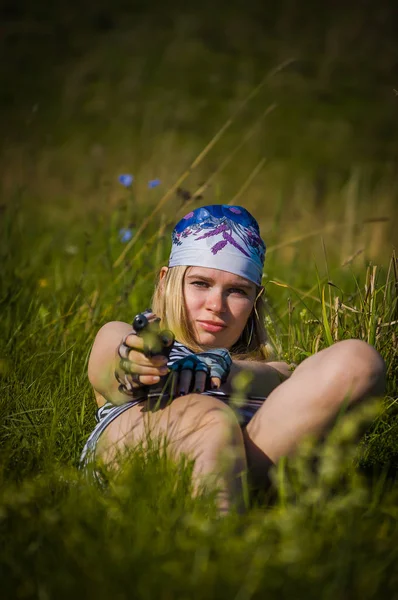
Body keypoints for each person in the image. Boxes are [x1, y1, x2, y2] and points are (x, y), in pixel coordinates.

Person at [81, 204, 386, 514]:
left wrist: (223, 367)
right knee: (210, 417)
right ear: (166, 281)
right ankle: (217, 541)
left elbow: (280, 375)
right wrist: (136, 367)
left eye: (237, 291)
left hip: (251, 464)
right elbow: (112, 361)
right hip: (141, 456)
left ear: (255, 299)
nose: (216, 304)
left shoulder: (270, 370)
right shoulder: (123, 335)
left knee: (359, 359)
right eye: (200, 283)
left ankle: (235, 522)